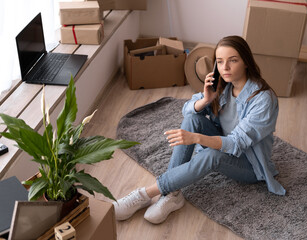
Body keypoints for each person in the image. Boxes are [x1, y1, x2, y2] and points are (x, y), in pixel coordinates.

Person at [113, 35, 286, 224]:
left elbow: (236, 143)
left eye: (233, 60)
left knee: (211, 155)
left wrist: (196, 138)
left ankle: (144, 194)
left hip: (249, 164)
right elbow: (186, 109)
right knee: (192, 118)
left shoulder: (262, 99)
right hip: (223, 144)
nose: (225, 68)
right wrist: (206, 100)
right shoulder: (224, 86)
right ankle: (172, 195)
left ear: (246, 62)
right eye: (220, 62)